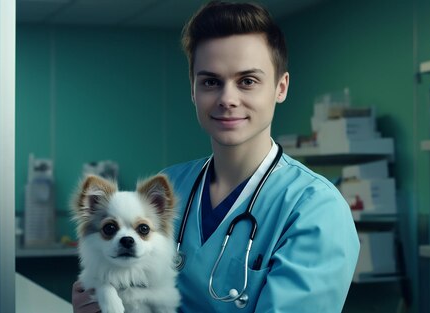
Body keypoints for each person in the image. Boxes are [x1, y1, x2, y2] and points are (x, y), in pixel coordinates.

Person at [73, 1, 359, 312]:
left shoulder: (316, 210)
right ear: (194, 90)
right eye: (211, 82)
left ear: (280, 87)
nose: (227, 99)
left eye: (247, 81)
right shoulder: (172, 185)